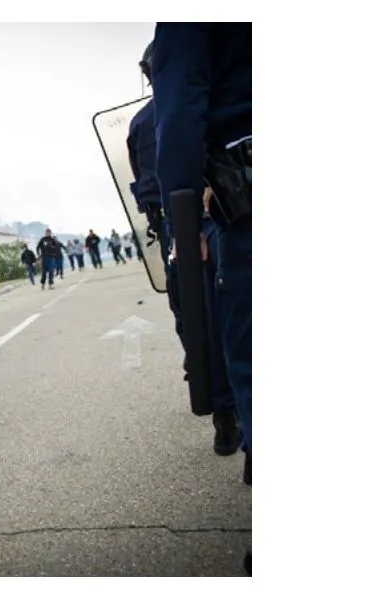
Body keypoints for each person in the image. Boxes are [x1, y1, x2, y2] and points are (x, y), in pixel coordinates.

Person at [150, 21, 252, 574]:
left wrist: (182, 222)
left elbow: (181, 114)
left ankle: (229, 423)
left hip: (240, 195)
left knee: (246, 354)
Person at [127, 43, 240, 456]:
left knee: (194, 321)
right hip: (216, 213)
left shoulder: (140, 124)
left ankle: (222, 416)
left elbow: (144, 190)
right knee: (233, 321)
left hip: (181, 227)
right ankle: (239, 422)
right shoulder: (207, 98)